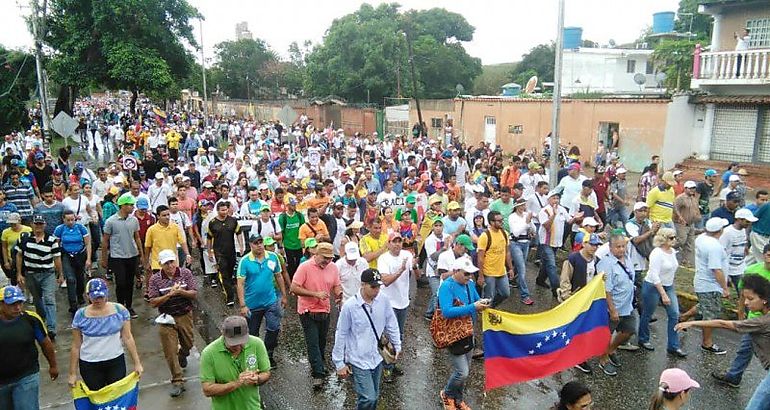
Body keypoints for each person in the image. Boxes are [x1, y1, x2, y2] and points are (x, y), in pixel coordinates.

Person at [676, 274, 770, 409]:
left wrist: (691, 323)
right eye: (745, 298)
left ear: (765, 300)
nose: (746, 303)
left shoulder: (762, 322)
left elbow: (723, 324)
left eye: (751, 299)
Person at [332, 268, 401, 410]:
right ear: (363, 285)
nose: (377, 290)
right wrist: (339, 362)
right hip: (358, 360)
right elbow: (341, 333)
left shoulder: (383, 301)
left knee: (374, 396)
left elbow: (391, 323)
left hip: (377, 357)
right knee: (369, 397)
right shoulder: (350, 306)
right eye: (373, 287)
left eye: (379, 286)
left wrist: (397, 345)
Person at [68, 278, 142, 391]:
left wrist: (137, 363)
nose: (98, 300)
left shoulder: (120, 311)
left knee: (116, 396)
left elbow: (128, 338)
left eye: (100, 297)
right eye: (94, 297)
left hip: (115, 360)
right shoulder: (80, 315)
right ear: (88, 296)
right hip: (90, 363)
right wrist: (72, 373)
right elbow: (76, 345)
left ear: (106, 294)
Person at [438, 257, 488, 410]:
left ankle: (458, 399)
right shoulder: (446, 287)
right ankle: (447, 394)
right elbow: (447, 311)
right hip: (454, 335)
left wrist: (483, 303)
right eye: (466, 274)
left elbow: (476, 299)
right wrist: (473, 307)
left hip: (468, 332)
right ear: (455, 271)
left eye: (471, 274)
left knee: (466, 369)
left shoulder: (469, 284)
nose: (469, 277)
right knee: (462, 372)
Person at [290, 242, 342, 390]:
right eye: (324, 258)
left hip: (324, 309)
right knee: (312, 342)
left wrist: (338, 293)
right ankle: (318, 374)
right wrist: (315, 294)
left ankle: (320, 363)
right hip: (307, 310)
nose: (327, 261)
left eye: (330, 258)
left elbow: (336, 284)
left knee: (321, 341)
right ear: (316, 254)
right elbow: (294, 288)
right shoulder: (305, 267)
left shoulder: (332, 267)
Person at [147, 249, 198, 397]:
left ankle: (183, 353)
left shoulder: (185, 274)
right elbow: (153, 301)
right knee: (169, 350)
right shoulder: (155, 279)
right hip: (166, 318)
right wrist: (169, 295)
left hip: (184, 314)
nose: (170, 266)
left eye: (171, 262)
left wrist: (181, 292)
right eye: (166, 263)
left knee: (188, 343)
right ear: (161, 265)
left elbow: (194, 293)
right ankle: (177, 380)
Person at [0, 285, 58, 410]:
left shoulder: (31, 319)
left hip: (27, 375)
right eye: (12, 304)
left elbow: (45, 343)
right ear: (1, 305)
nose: (17, 307)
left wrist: (53, 365)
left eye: (20, 303)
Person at [200, 315, 271, 410]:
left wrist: (257, 379)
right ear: (223, 333)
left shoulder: (256, 344)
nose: (237, 346)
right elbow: (207, 390)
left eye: (241, 341)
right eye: (233, 342)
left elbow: (266, 373)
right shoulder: (209, 353)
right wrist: (237, 383)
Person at [236, 234, 286, 368]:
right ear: (250, 245)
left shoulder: (273, 257)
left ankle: (268, 354)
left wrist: (284, 295)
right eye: (255, 243)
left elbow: (279, 276)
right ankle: (255, 356)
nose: (259, 245)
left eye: (260, 242)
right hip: (252, 305)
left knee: (273, 328)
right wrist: (242, 305)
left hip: (271, 301)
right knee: (253, 333)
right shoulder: (245, 261)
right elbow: (240, 283)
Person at [638, 227, 687, 358]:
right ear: (663, 239)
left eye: (674, 237)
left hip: (668, 285)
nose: (674, 240)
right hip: (653, 286)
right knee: (647, 314)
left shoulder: (672, 252)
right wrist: (663, 294)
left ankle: (673, 345)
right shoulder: (656, 253)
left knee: (674, 314)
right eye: (671, 237)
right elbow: (654, 275)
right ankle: (643, 339)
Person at [15, 214, 63, 339]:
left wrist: (60, 274)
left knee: (49, 299)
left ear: (44, 225)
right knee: (37, 300)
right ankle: (42, 320)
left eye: (40, 224)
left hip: (47, 273)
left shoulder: (51, 240)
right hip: (31, 274)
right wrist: (19, 274)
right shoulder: (24, 238)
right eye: (36, 224)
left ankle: (51, 328)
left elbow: (57, 258)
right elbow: (19, 255)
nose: (38, 226)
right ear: (32, 224)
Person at [596, 233, 637, 376]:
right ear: (610, 247)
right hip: (613, 307)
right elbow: (606, 290)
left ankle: (611, 350)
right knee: (606, 335)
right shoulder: (606, 264)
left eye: (623, 246)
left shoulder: (628, 259)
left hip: (627, 306)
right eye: (617, 247)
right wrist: (612, 310)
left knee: (630, 330)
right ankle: (603, 360)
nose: (621, 249)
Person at [101, 193, 144, 318]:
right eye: (129, 205)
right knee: (120, 283)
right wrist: (104, 259)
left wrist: (141, 255)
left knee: (130, 282)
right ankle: (120, 306)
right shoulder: (111, 221)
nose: (132, 207)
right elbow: (105, 241)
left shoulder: (134, 220)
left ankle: (129, 306)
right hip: (117, 256)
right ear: (122, 206)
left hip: (132, 255)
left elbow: (136, 237)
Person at [693, 217, 731, 355]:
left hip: (702, 282)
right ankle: (707, 343)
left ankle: (684, 316)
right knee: (711, 315)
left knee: (705, 306)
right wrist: (725, 288)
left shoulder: (702, 238)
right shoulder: (714, 247)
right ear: (719, 231)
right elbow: (716, 269)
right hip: (710, 284)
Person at [55, 210, 91, 316]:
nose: (71, 222)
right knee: (70, 279)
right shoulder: (60, 229)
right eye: (68, 220)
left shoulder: (81, 228)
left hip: (80, 255)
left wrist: (88, 259)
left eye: (72, 220)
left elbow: (88, 244)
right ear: (63, 220)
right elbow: (55, 246)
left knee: (80, 278)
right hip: (66, 255)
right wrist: (56, 262)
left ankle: (80, 295)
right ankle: (73, 305)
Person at [207, 202, 243, 306]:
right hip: (219, 253)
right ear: (218, 210)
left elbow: (239, 233)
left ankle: (228, 286)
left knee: (230, 272)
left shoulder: (232, 221)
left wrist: (241, 246)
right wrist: (209, 252)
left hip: (231, 251)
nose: (224, 212)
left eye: (226, 209)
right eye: (222, 210)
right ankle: (230, 297)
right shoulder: (213, 223)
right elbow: (209, 238)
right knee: (224, 274)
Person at [478, 210, 514, 307]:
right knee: (488, 297)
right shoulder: (485, 236)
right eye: (499, 221)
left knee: (505, 293)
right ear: (491, 222)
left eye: (502, 220)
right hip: (489, 273)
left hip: (502, 271)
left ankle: (491, 308)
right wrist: (480, 276)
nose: (502, 222)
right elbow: (480, 258)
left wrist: (510, 268)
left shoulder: (504, 234)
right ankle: (486, 313)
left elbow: (507, 252)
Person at [721, 208, 758, 296]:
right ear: (739, 220)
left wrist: (745, 248)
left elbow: (743, 243)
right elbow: (722, 252)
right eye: (747, 221)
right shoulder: (727, 232)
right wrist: (726, 274)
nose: (749, 224)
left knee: (744, 292)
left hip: (740, 266)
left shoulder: (743, 230)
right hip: (729, 268)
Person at [423, 219, 450, 319]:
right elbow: (433, 257)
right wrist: (443, 248)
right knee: (437, 292)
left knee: (439, 291)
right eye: (436, 225)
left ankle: (429, 313)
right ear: (432, 227)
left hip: (445, 269)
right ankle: (437, 318)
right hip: (433, 270)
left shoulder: (447, 237)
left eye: (440, 225)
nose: (438, 228)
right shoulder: (429, 240)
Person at [673, 181, 700, 267]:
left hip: (691, 224)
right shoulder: (680, 198)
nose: (692, 190)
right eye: (690, 188)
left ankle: (687, 261)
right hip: (681, 224)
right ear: (685, 189)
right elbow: (675, 208)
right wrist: (680, 217)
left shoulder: (693, 198)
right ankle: (669, 249)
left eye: (694, 188)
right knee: (681, 241)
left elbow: (695, 209)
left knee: (690, 243)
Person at [1, 212, 30, 286]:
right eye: (11, 224)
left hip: (25, 258)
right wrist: (6, 261)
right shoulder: (5, 232)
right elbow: (4, 247)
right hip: (12, 259)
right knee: (14, 279)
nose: (13, 226)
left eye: (14, 224)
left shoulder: (28, 230)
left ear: (19, 221)